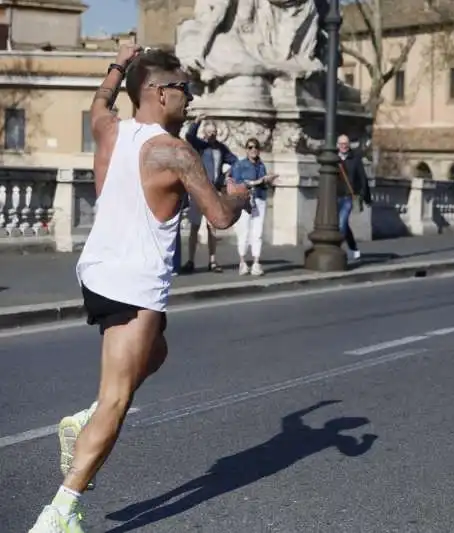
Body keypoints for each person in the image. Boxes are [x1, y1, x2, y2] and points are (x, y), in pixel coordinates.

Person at [28, 45, 249, 533]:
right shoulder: (174, 151)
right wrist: (237, 196)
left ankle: (88, 417)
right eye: (185, 89)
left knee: (158, 348)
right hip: (134, 283)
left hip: (97, 272)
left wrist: (118, 63)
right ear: (159, 92)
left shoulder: (110, 129)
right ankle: (59, 513)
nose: (191, 98)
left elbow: (100, 103)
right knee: (117, 401)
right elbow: (217, 218)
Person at [181, 117, 239, 274]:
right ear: (205, 133)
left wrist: (227, 175)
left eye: (214, 132)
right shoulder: (200, 145)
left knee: (212, 227)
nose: (212, 135)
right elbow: (189, 136)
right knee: (194, 226)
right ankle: (191, 260)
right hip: (198, 191)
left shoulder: (221, 149)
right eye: (209, 132)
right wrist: (197, 122)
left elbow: (235, 161)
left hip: (214, 192)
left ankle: (212, 261)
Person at [229, 137, 278, 276]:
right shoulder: (240, 165)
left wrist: (269, 180)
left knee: (258, 232)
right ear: (246, 150)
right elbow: (240, 183)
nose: (253, 150)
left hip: (259, 200)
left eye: (256, 147)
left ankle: (256, 262)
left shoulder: (261, 165)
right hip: (245, 201)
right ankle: (242, 262)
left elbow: (262, 184)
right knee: (243, 231)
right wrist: (259, 181)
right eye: (250, 147)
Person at [337, 134, 371, 261]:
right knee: (343, 224)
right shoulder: (334, 158)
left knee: (341, 224)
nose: (343, 146)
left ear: (349, 144)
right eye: (341, 144)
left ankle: (337, 249)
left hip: (348, 196)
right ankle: (353, 247)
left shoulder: (355, 159)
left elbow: (362, 178)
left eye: (345, 144)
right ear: (337, 145)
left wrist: (366, 196)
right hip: (335, 196)